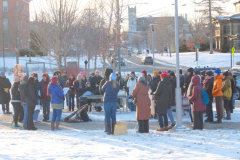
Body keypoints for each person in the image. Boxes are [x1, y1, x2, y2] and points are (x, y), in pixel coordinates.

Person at [99, 68, 113, 133]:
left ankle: (107, 128)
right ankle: (113, 128)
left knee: (106, 114)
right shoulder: (114, 81)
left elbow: (100, 91)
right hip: (113, 99)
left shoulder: (103, 81)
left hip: (106, 99)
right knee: (113, 115)